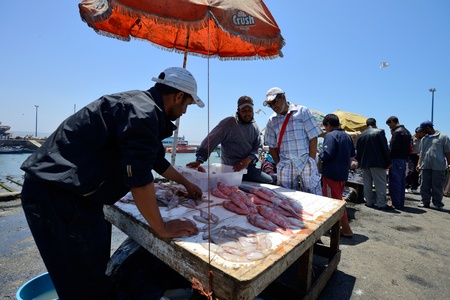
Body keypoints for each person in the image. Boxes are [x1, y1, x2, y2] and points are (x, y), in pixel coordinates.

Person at [20, 67, 204, 299]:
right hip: (58, 197)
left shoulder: (142, 106)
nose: (184, 111)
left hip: (76, 196)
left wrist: (186, 183)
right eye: (187, 104)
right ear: (178, 96)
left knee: (94, 273)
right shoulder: (143, 112)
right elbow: (138, 176)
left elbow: (155, 159)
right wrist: (161, 227)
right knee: (83, 285)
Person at [186, 96, 273, 184]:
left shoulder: (255, 127)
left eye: (250, 110)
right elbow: (211, 140)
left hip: (248, 169)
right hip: (230, 170)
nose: (247, 114)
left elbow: (258, 147)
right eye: (244, 111)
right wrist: (199, 160)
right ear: (238, 111)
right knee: (270, 180)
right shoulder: (229, 123)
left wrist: (248, 160)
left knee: (270, 180)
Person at [263, 87, 322, 193]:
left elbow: (313, 136)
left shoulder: (302, 111)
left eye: (274, 102)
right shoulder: (272, 121)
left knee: (313, 195)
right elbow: (272, 146)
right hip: (285, 165)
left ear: (283, 97)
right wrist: (278, 164)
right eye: (270, 105)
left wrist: (311, 160)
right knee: (286, 199)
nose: (273, 106)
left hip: (305, 162)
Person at [319, 114, 354, 237]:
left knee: (333, 203)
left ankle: (346, 229)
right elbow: (352, 153)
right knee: (337, 200)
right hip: (343, 174)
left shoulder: (330, 135)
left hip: (331, 174)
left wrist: (319, 156)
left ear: (328, 125)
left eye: (325, 127)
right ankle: (337, 227)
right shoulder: (347, 136)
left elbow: (327, 154)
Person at [356, 118, 392, 210]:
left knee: (367, 183)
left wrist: (360, 163)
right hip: (378, 162)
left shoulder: (361, 135)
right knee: (380, 184)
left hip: (364, 163)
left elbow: (358, 152)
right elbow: (385, 149)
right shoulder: (379, 132)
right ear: (375, 124)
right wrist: (388, 161)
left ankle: (369, 202)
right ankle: (381, 203)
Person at [416, 120, 450, 210]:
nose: (422, 131)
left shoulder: (443, 137)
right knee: (424, 185)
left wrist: (449, 164)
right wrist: (419, 164)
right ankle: (424, 201)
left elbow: (448, 152)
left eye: (423, 129)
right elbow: (422, 152)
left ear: (428, 128)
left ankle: (437, 203)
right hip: (425, 165)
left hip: (438, 167)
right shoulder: (424, 139)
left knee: (437, 185)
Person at [385, 116, 412, 209]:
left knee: (395, 182)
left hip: (396, 159)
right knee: (401, 182)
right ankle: (400, 202)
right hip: (404, 159)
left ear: (392, 121)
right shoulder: (407, 131)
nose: (390, 128)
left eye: (390, 125)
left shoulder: (397, 132)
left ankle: (395, 203)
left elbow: (394, 148)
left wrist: (389, 160)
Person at [406, 127, 425, 193]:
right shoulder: (411, 139)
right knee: (412, 171)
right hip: (412, 156)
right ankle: (406, 185)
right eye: (422, 132)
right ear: (418, 132)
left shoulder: (423, 139)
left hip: (420, 156)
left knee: (417, 172)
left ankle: (414, 187)